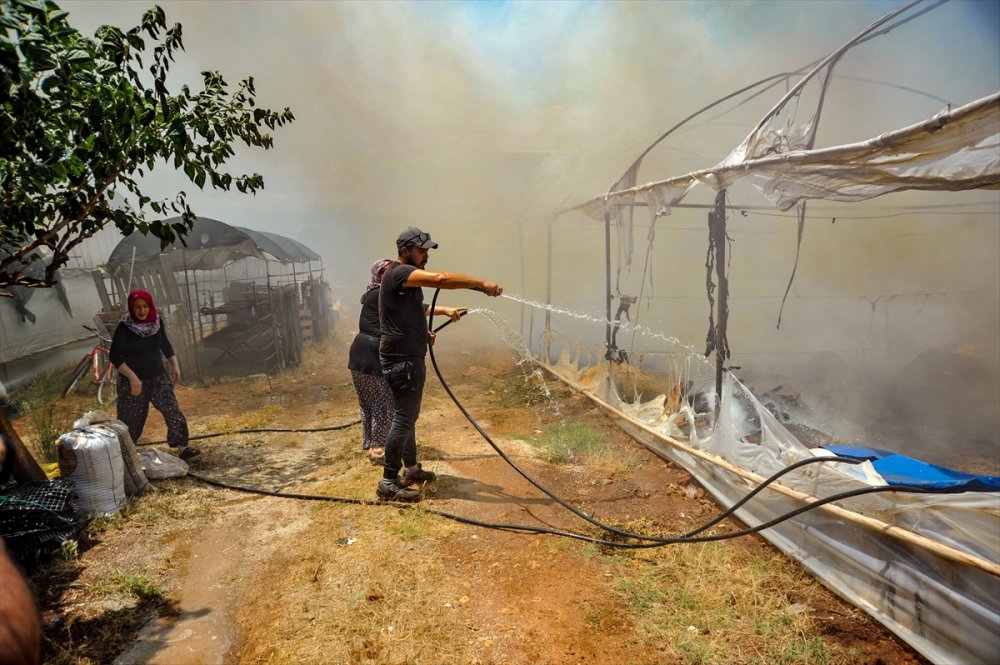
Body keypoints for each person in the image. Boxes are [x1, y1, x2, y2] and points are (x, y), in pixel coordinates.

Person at [376, 227, 502, 502]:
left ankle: (410, 469)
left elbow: (411, 311)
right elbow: (441, 279)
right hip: (402, 361)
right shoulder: (398, 272)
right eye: (421, 251)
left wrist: (422, 331)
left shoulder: (405, 281)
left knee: (407, 416)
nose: (425, 256)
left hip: (407, 357)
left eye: (427, 252)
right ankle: (388, 482)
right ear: (405, 250)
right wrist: (480, 284)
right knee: (403, 418)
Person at [110, 290, 198, 460]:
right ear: (131, 308)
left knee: (172, 409)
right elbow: (114, 356)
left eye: (145, 306)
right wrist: (132, 378)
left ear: (150, 306)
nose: (142, 310)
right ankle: (125, 454)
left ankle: (182, 446)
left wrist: (175, 365)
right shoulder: (124, 328)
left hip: (158, 377)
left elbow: (164, 343)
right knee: (131, 421)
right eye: (137, 307)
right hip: (133, 383)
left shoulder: (156, 322)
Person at [348, 259, 395, 464]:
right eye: (386, 272)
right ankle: (378, 449)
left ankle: (371, 443)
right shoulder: (380, 294)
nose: (391, 275)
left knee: (369, 403)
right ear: (378, 274)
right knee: (382, 402)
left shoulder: (374, 293)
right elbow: (413, 310)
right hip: (369, 353)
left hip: (360, 352)